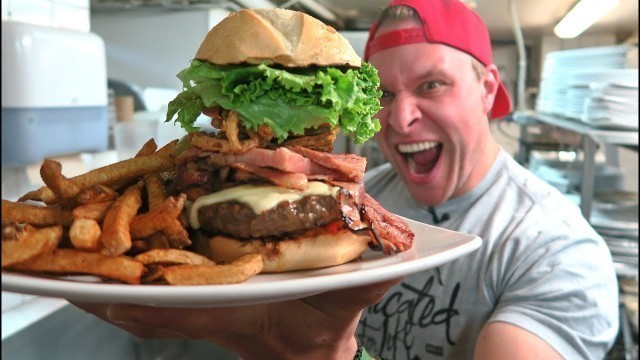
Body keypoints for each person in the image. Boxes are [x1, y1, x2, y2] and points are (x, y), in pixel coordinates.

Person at [73, 0, 620, 359]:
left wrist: (328, 355)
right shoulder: (366, 194)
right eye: (382, 94)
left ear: (486, 87)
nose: (400, 119)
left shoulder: (554, 251)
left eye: (431, 86)